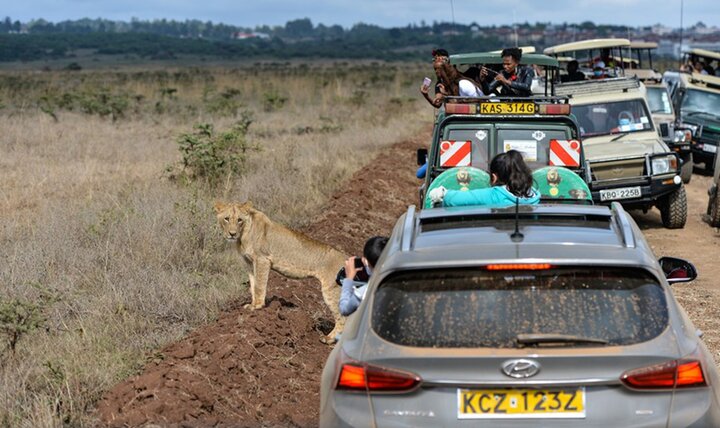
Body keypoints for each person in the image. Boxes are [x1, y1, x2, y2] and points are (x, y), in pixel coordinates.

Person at [428, 150, 540, 207]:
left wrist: (442, 193)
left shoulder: (495, 196)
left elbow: (457, 198)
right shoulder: (534, 196)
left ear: (494, 177)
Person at [338, 236, 389, 317]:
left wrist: (349, 279)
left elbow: (344, 309)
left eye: (364, 258)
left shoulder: (364, 291)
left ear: (366, 262)